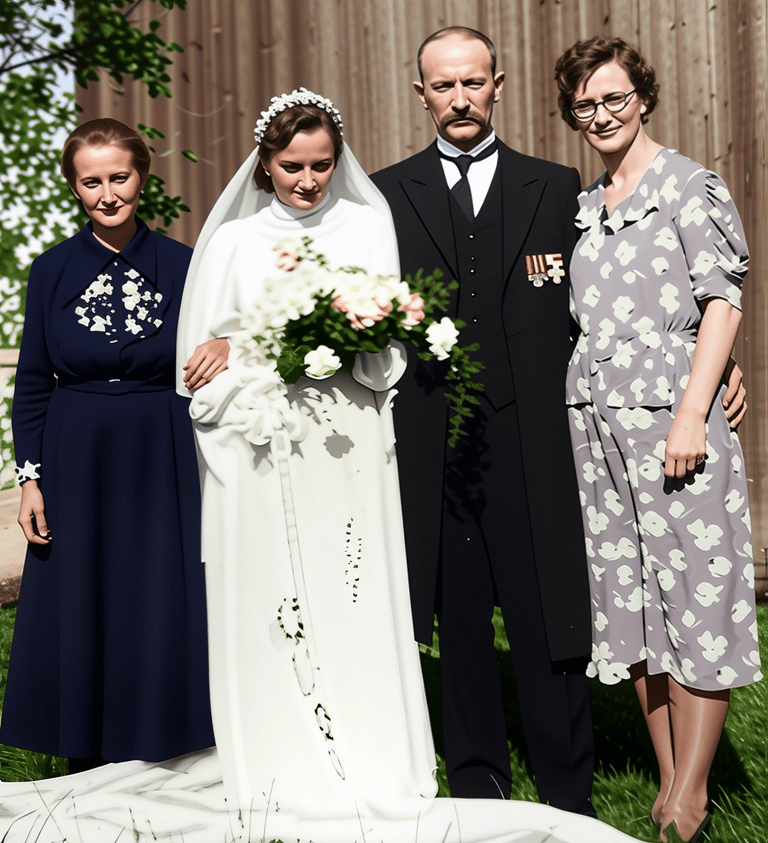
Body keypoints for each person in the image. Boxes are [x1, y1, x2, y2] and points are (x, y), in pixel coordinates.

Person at [371, 27, 596, 813]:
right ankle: (476, 786)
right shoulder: (384, 195)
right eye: (444, 86)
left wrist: (710, 361)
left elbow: (605, 302)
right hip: (434, 440)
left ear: (497, 84)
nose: (460, 99)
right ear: (421, 94)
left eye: (473, 82)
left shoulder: (557, 186)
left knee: (546, 608)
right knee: (459, 615)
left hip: (534, 436)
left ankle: (567, 788)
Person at [554, 37, 762, 843]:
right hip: (597, 428)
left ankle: (692, 793)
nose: (601, 114)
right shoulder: (587, 206)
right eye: (585, 104)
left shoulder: (687, 187)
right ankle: (670, 778)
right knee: (632, 598)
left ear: (642, 96)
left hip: (674, 420)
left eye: (614, 97)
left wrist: (691, 410)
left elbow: (723, 301)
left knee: (696, 592)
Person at [1, 118, 218, 770]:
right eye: (91, 181)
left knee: (160, 591)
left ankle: (168, 748)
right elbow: (33, 382)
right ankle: (85, 756)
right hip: (76, 455)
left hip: (162, 450)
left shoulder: (185, 265)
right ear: (74, 187)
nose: (107, 193)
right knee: (82, 593)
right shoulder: (51, 271)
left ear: (142, 177)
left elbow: (224, 339)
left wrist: (228, 343)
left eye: (118, 177)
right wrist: (30, 479)